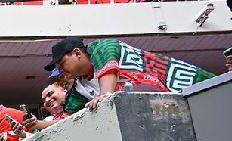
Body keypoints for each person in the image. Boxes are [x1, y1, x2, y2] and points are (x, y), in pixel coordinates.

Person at [48, 37, 216, 113]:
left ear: (77, 53)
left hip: (198, 88)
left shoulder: (102, 47)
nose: (61, 70)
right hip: (172, 108)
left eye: (62, 64)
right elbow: (68, 116)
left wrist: (104, 95)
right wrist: (38, 123)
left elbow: (107, 81)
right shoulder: (79, 87)